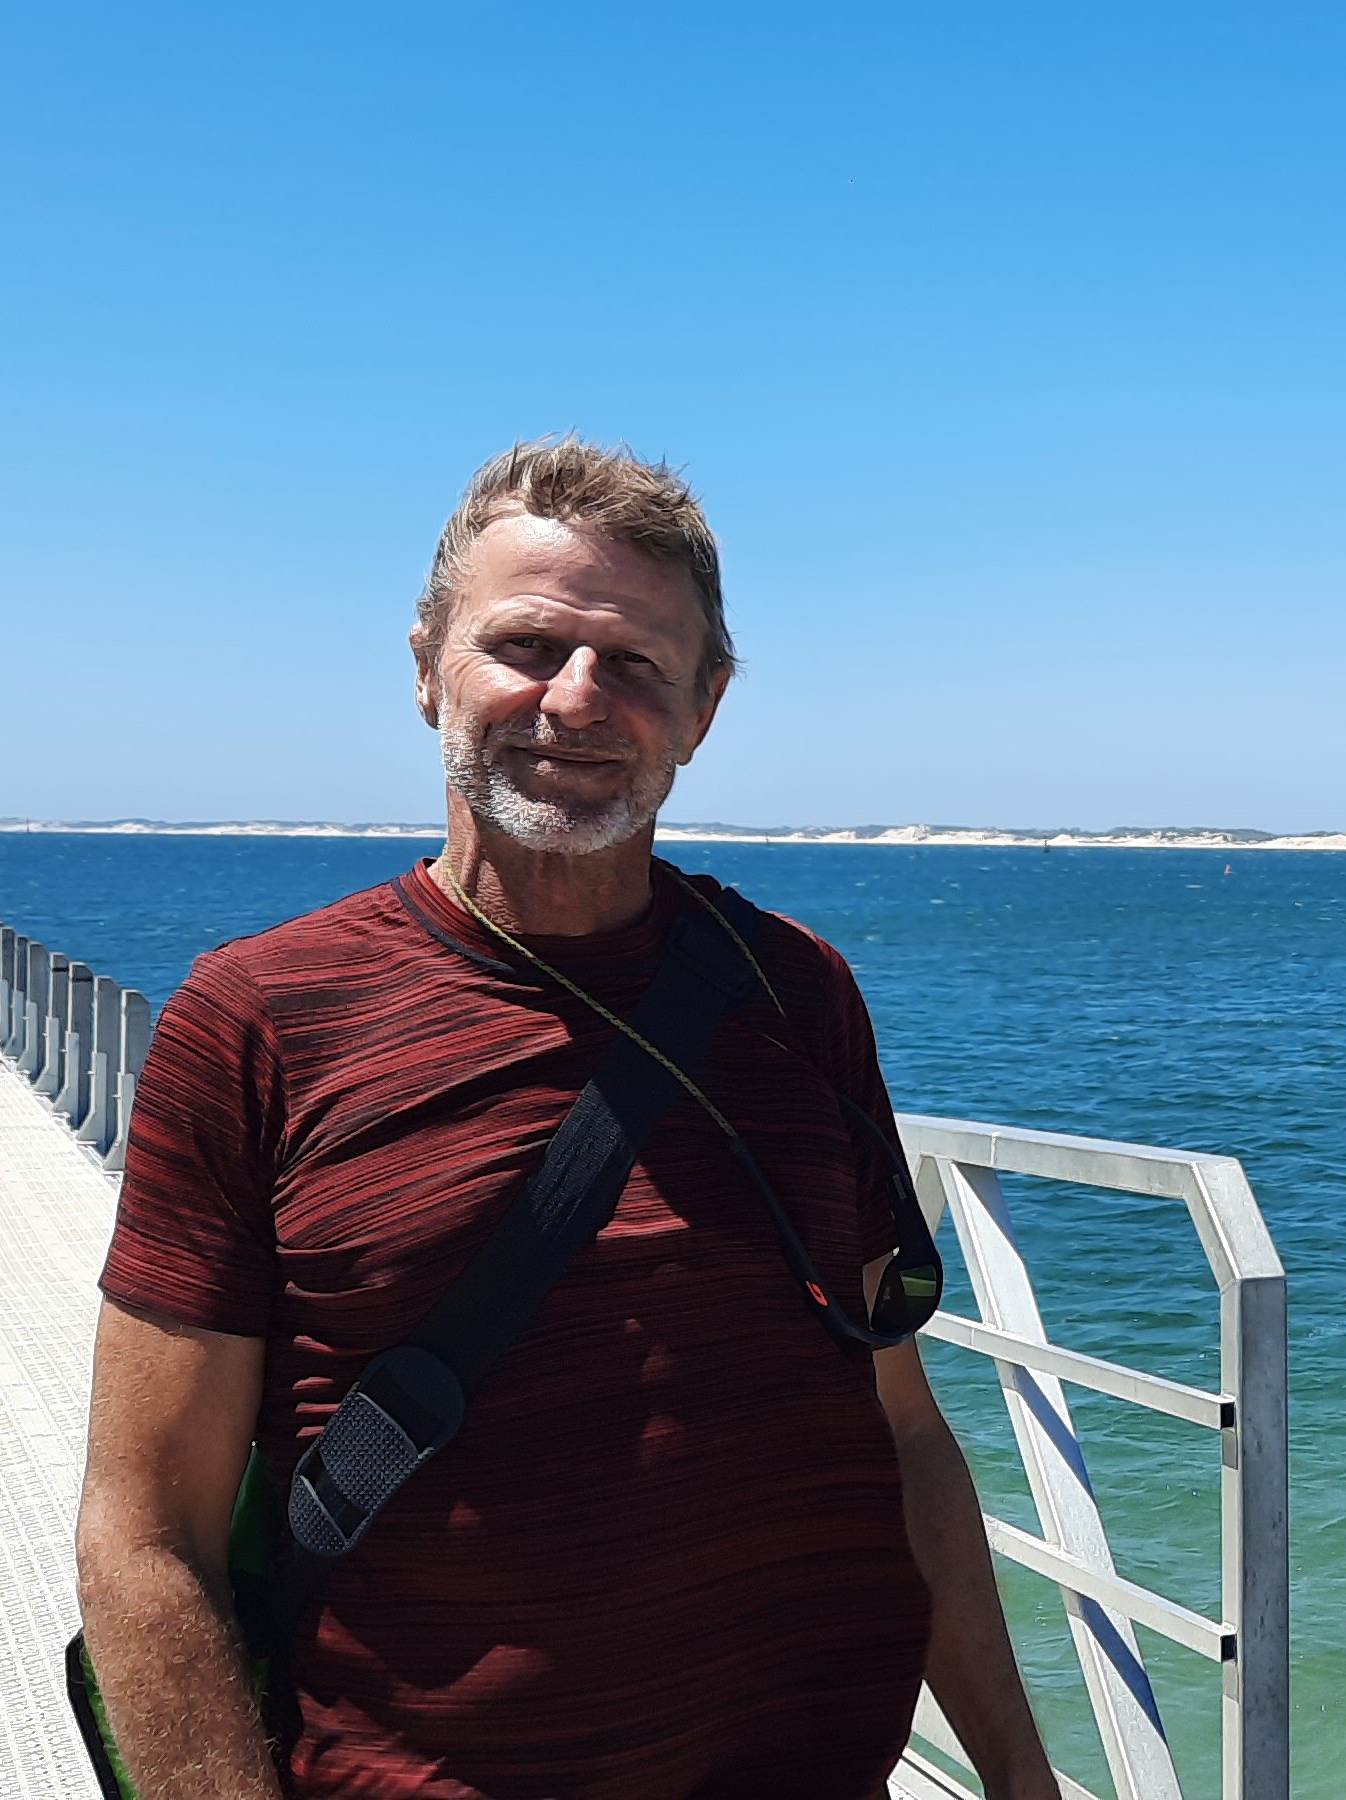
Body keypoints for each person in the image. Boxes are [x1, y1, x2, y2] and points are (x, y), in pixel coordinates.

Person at [75, 438, 1054, 1799]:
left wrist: (1020, 1774)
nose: (577, 700)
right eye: (527, 646)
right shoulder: (258, 1019)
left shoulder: (798, 990)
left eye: (640, 665)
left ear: (704, 706)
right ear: (429, 667)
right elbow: (143, 1533)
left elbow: (898, 1427)